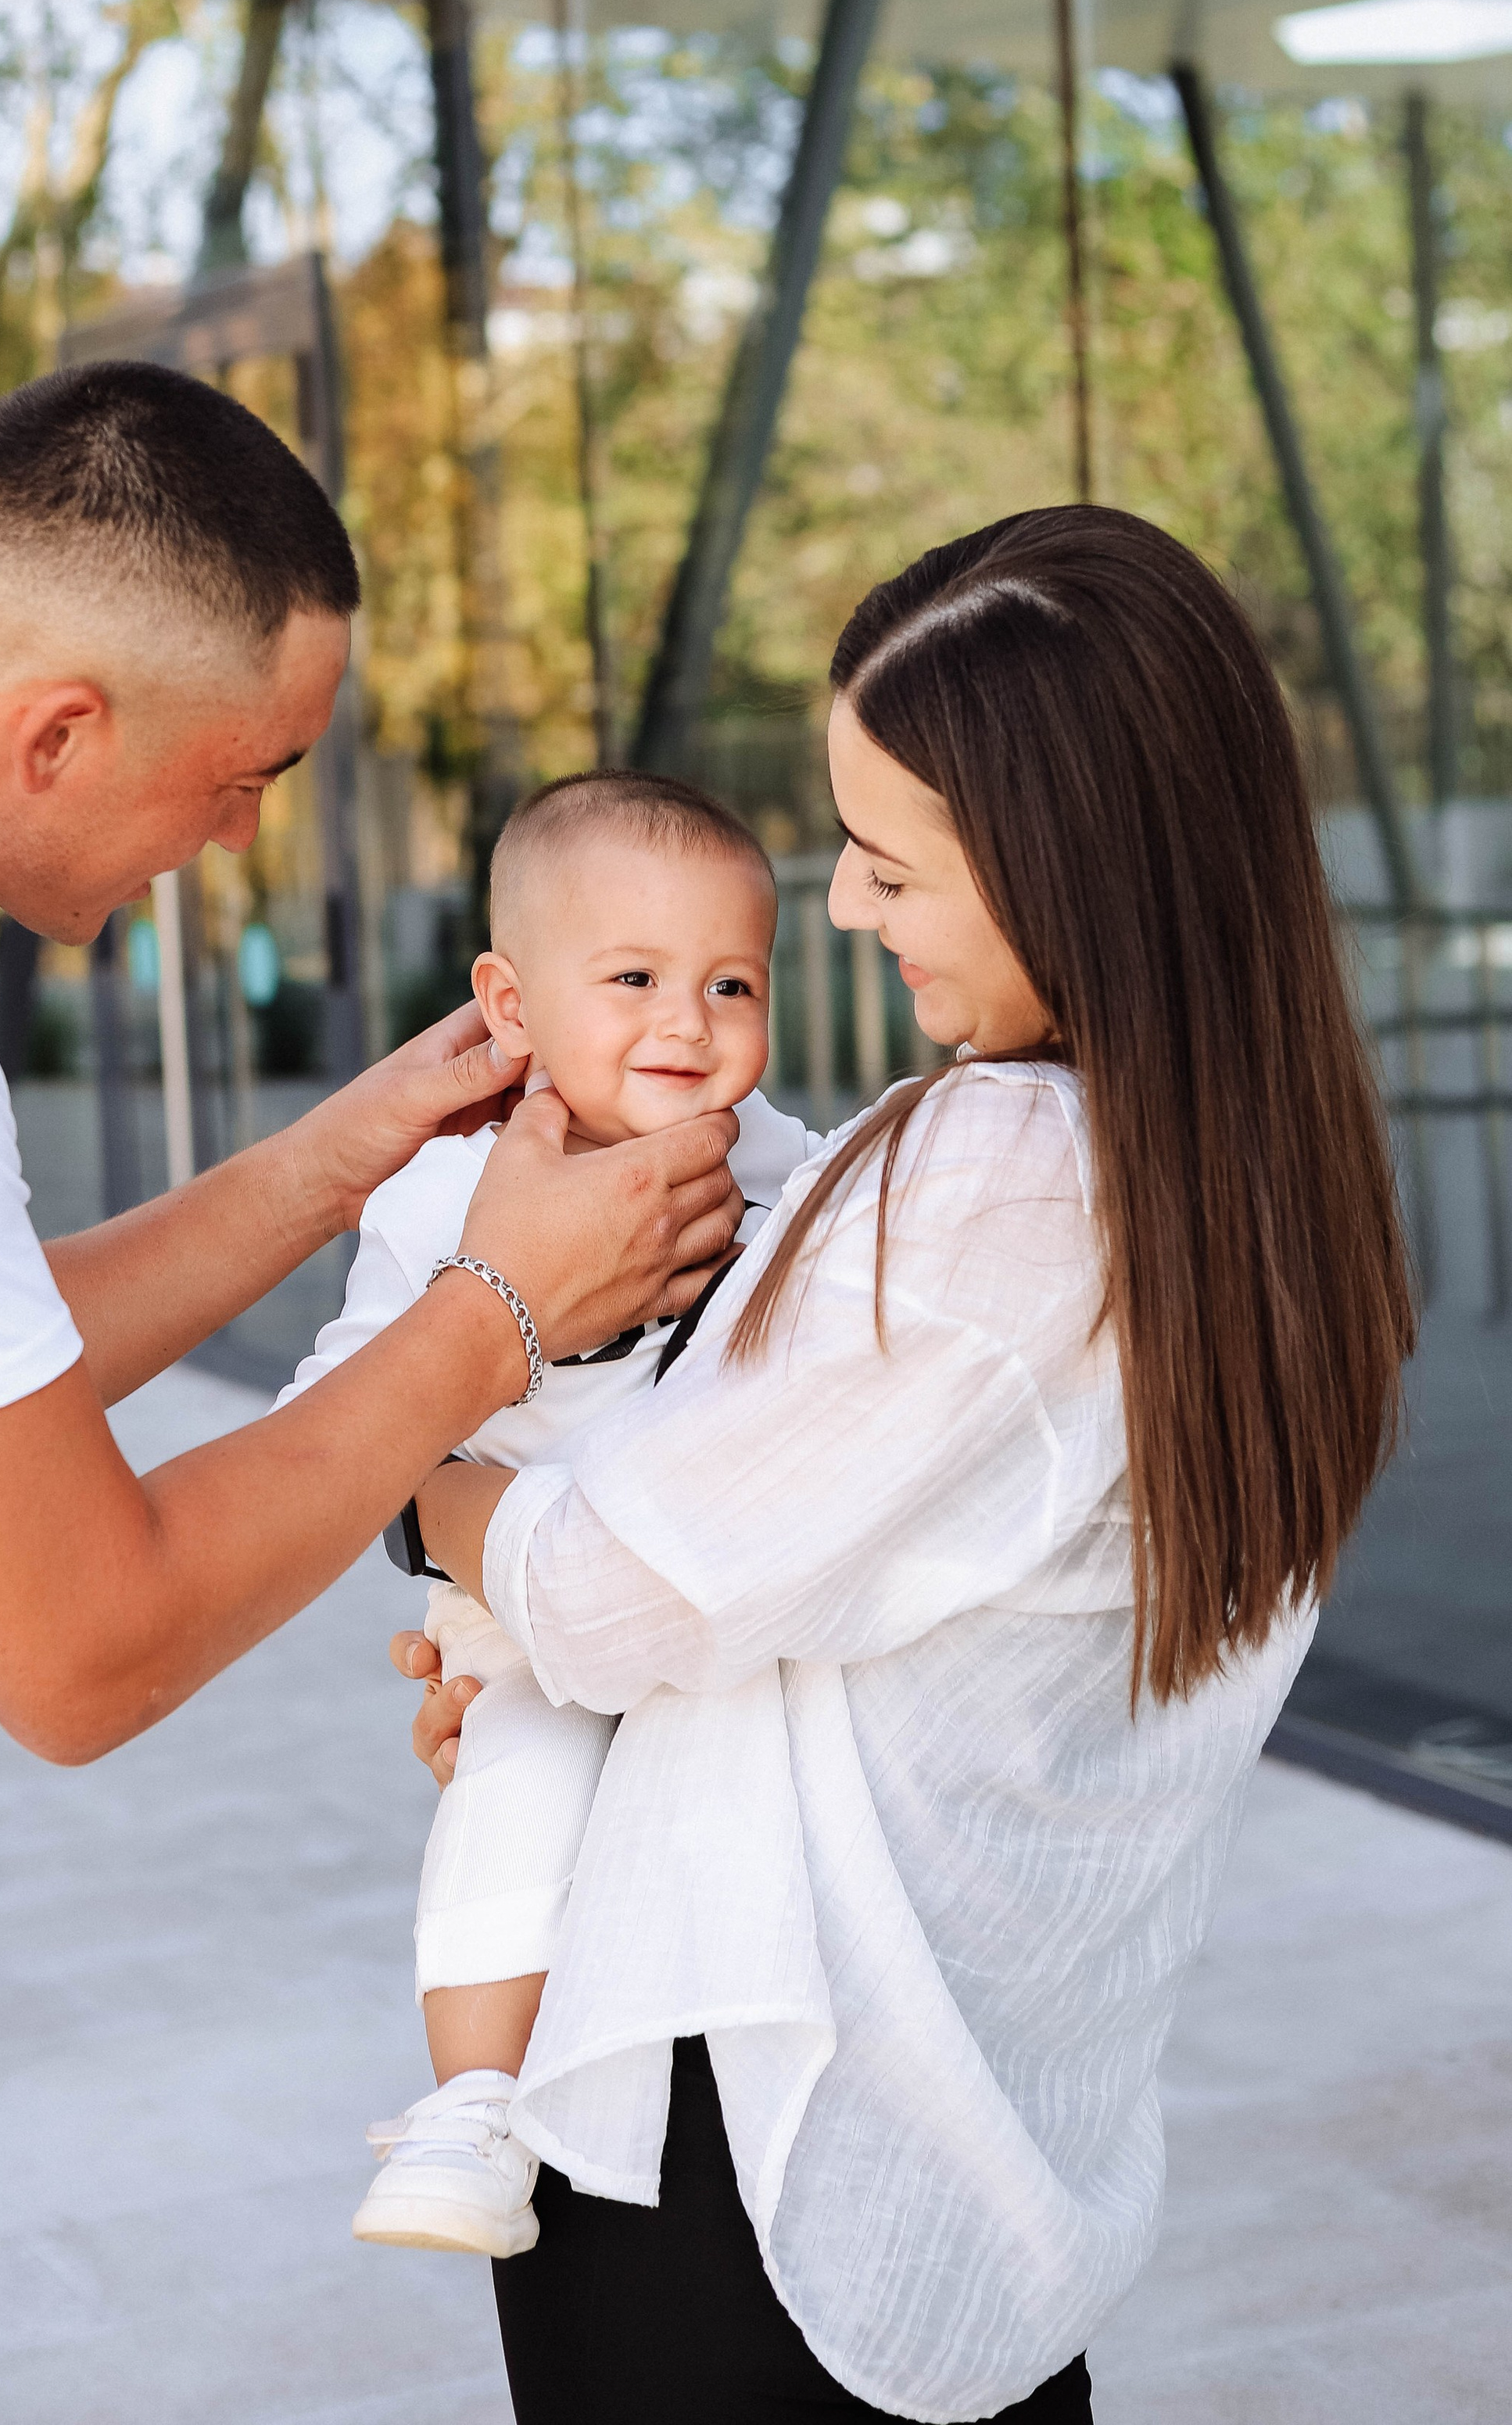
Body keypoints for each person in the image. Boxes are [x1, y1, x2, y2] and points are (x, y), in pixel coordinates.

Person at [0, 363, 739, 2424]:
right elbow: (86, 1651)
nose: (237, 843)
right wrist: (490, 1321)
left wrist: (345, 1155)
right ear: (60, 731)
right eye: (247, 775)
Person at [397, 505, 1413, 2425]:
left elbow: (616, 1592)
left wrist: (432, 1500)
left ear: (1063, 871)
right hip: (977, 2154)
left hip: (761, 2159)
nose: (842, 914)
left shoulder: (1003, 1172)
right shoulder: (1268, 1194)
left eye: (881, 863)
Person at [273, 770, 821, 2258]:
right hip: (521, 1612)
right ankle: (475, 2105)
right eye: (634, 979)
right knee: (516, 1786)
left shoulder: (792, 1174)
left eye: (730, 983)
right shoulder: (443, 1196)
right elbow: (334, 1417)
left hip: (721, 1613)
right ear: (511, 1008)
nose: (688, 1024)